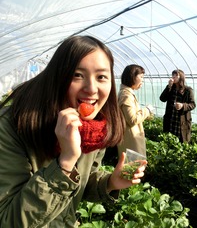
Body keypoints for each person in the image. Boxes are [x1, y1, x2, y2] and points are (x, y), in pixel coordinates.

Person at [0, 36, 147, 228]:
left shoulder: (94, 128)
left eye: (101, 77)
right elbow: (8, 220)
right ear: (57, 77)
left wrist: (110, 182)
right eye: (78, 75)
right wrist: (65, 162)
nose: (92, 89)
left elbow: (81, 182)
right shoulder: (12, 126)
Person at [117, 64, 154, 158]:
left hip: (129, 138)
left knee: (131, 168)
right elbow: (132, 119)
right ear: (133, 77)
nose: (142, 80)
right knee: (133, 168)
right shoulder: (126, 95)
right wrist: (147, 110)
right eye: (141, 77)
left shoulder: (126, 92)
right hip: (131, 140)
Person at [159, 69, 196, 143]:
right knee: (169, 140)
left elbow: (193, 104)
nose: (173, 77)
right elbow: (162, 98)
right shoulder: (170, 88)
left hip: (181, 122)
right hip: (170, 120)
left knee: (181, 141)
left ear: (181, 77)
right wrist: (169, 86)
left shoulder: (188, 90)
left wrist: (183, 106)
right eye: (173, 75)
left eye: (176, 76)